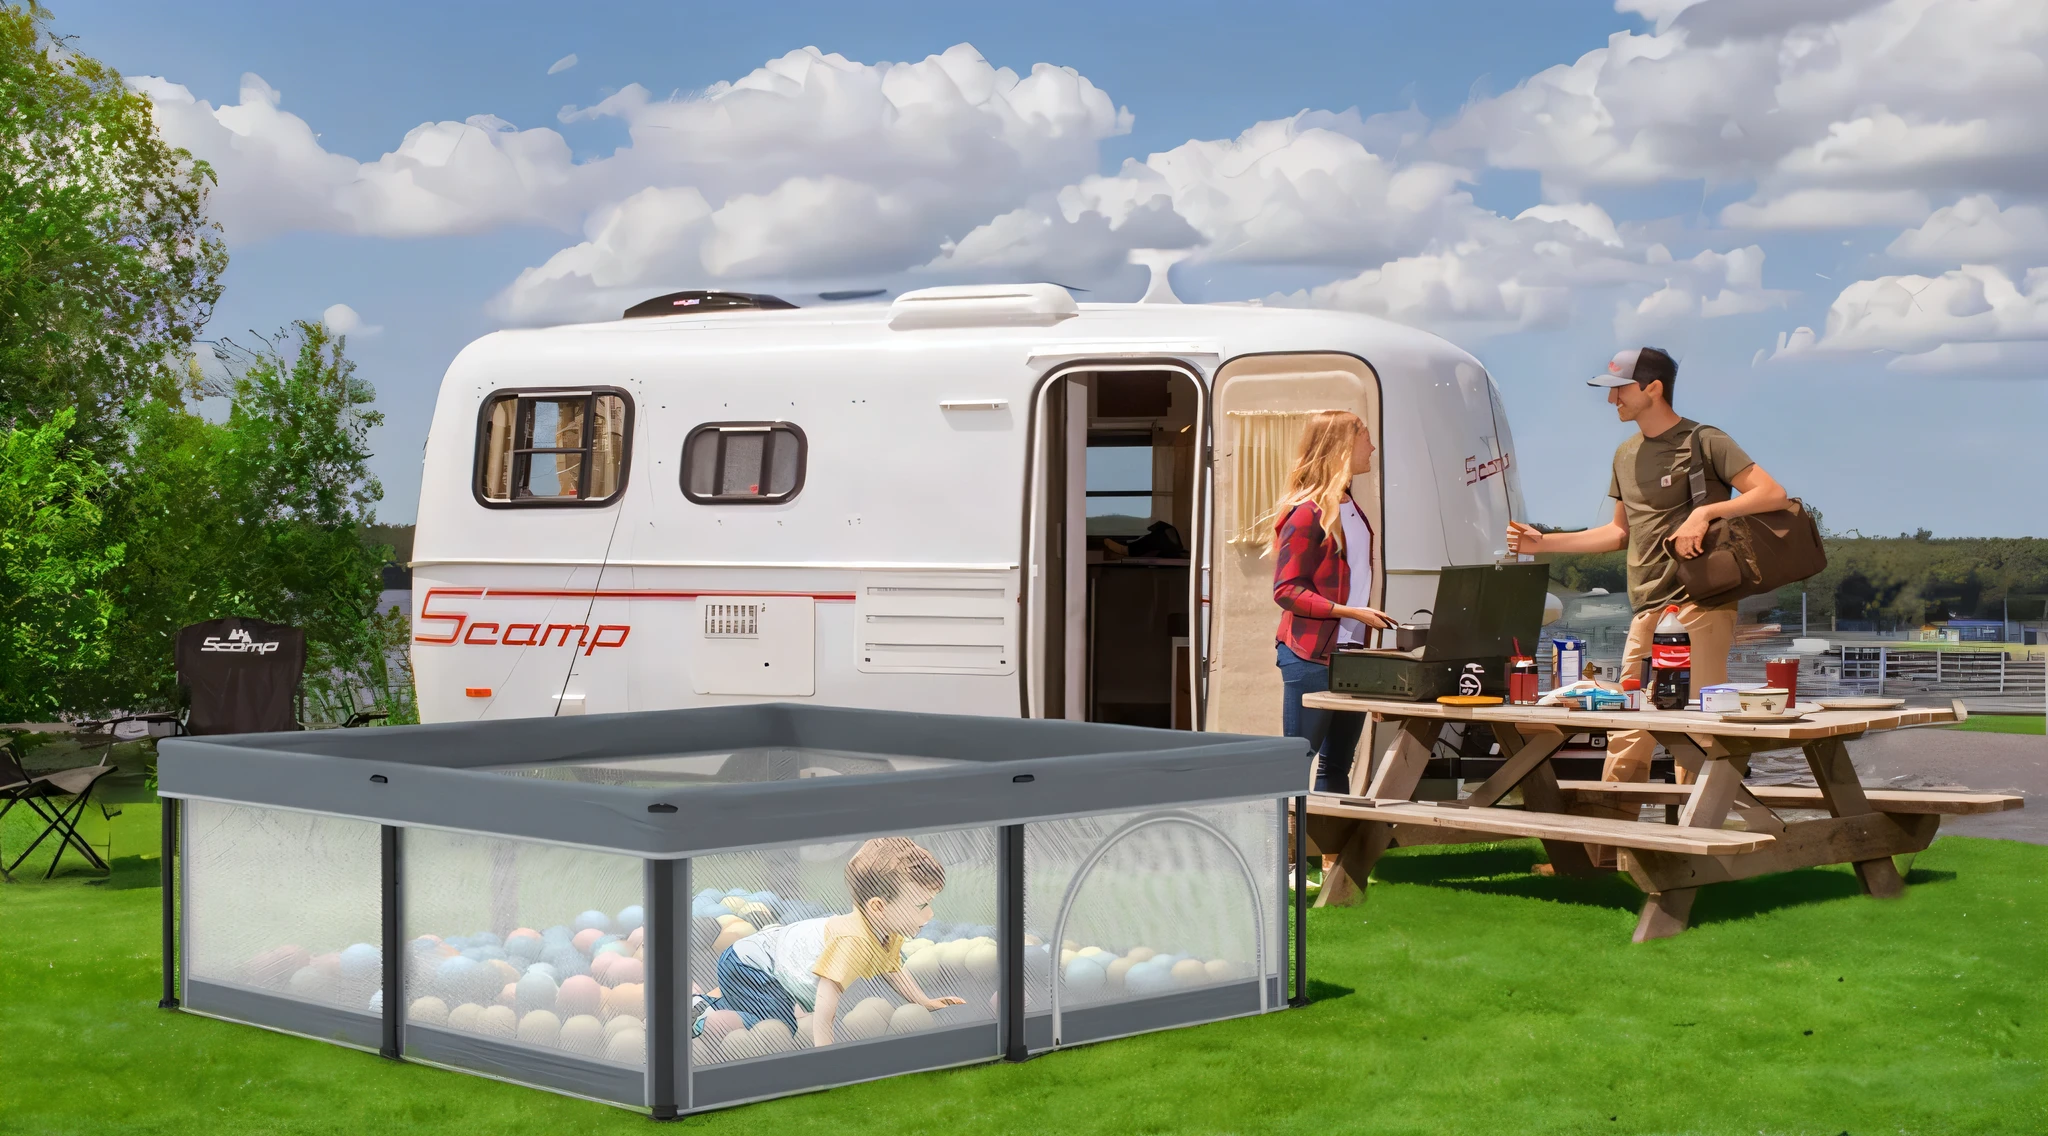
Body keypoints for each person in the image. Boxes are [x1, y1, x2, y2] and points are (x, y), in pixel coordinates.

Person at [1506, 347, 1787, 794]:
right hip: (1647, 608)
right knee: (1627, 731)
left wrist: (1705, 514)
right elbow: (1619, 534)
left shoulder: (1705, 440)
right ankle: (1609, 852)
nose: (1611, 399)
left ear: (1653, 388)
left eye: (1619, 388)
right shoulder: (1624, 454)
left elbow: (1771, 493)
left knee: (1697, 730)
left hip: (1700, 605)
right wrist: (1544, 544)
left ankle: (1695, 848)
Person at [694, 837, 965, 1045]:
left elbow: (892, 968)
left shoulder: (886, 931)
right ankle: (704, 1016)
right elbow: (826, 1001)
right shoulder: (851, 942)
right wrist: (825, 1049)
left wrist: (924, 1001)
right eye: (921, 905)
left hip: (765, 955)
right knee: (781, 1028)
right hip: (750, 966)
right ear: (879, 907)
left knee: (773, 1009)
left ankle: (709, 1001)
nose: (930, 914)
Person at [1271, 410, 1395, 795]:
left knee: (1337, 763)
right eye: (1366, 438)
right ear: (1342, 445)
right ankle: (1288, 853)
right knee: (1297, 764)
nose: (1372, 447)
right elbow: (1286, 590)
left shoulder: (1351, 508)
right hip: (1310, 657)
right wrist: (1348, 612)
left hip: (1351, 657)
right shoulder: (1307, 513)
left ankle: (1330, 854)